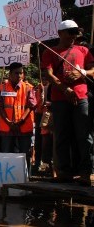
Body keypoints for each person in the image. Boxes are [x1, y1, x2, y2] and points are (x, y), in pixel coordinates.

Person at [41, 20, 94, 185]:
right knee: (62, 135)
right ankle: (64, 172)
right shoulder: (50, 51)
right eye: (70, 32)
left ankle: (85, 172)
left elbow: (93, 70)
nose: (73, 36)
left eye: (75, 32)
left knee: (84, 136)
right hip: (60, 99)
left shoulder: (84, 50)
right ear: (60, 33)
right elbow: (49, 75)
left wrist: (82, 73)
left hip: (81, 97)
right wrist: (65, 89)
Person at [0, 62, 36, 175]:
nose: (19, 75)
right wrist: (8, 122)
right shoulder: (2, 88)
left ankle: (25, 179)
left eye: (21, 73)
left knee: (24, 156)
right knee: (6, 156)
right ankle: (6, 178)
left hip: (24, 128)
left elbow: (31, 106)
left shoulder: (29, 88)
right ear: (10, 74)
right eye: (16, 73)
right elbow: (0, 107)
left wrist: (21, 120)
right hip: (6, 129)